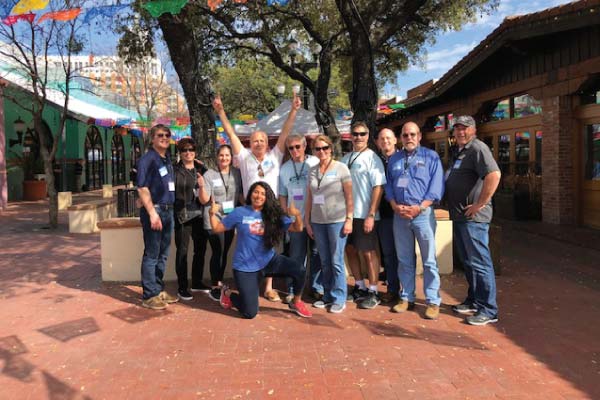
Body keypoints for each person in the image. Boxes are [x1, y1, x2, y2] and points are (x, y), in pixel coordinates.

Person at [213, 93, 301, 302]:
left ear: (267, 143)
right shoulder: (244, 157)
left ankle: (269, 287)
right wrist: (221, 111)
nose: (259, 143)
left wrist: (294, 110)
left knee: (271, 244)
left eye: (262, 140)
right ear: (250, 144)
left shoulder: (275, 156)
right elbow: (230, 133)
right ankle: (249, 281)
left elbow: (285, 132)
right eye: (255, 141)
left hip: (271, 210)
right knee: (249, 244)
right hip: (250, 209)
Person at [209, 181, 313, 319]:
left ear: (267, 197)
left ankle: (296, 302)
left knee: (299, 270)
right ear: (250, 194)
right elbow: (217, 228)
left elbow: (297, 228)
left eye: (263, 194)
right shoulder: (239, 212)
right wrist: (211, 214)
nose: (259, 196)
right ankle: (228, 294)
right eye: (256, 192)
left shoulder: (273, 214)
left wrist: (297, 215)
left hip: (268, 261)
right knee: (250, 313)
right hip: (245, 267)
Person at [385, 122, 444, 319]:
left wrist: (420, 207)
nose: (409, 138)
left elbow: (436, 186)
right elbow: (389, 185)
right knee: (404, 259)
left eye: (412, 134)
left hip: (422, 215)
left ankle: (433, 301)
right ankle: (407, 297)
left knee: (429, 260)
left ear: (419, 136)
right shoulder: (394, 159)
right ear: (401, 138)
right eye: (405, 135)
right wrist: (394, 205)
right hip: (400, 215)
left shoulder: (431, 157)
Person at [446, 115, 501, 326]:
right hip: (460, 216)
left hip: (474, 218)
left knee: (480, 262)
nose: (461, 132)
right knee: (468, 262)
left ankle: (488, 309)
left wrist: (480, 203)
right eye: (458, 128)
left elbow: (494, 175)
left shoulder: (478, 148)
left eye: (465, 128)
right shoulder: (460, 151)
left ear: (474, 130)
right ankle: (474, 300)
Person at [305, 135, 353, 313]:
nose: (322, 151)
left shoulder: (341, 168)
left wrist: (349, 219)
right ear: (313, 151)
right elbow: (309, 197)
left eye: (325, 148)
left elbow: (349, 196)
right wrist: (307, 221)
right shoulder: (312, 170)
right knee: (324, 261)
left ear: (331, 149)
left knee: (336, 261)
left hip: (337, 221)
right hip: (318, 221)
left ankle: (339, 298)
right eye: (317, 149)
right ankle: (327, 295)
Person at [341, 122, 386, 309]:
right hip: (347, 216)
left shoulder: (373, 158)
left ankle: (373, 290)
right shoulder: (345, 158)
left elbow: (378, 187)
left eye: (362, 134)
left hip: (365, 214)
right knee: (350, 250)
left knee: (369, 252)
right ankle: (359, 286)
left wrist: (371, 214)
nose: (358, 137)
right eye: (355, 134)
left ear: (368, 136)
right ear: (351, 136)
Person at [136, 124, 179, 310]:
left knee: (163, 254)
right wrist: (152, 214)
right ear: (152, 138)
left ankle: (158, 289)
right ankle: (149, 295)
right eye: (160, 135)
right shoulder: (147, 160)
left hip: (168, 210)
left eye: (167, 135)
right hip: (155, 211)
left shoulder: (166, 158)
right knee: (152, 254)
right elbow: (142, 187)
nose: (164, 138)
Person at [279, 134, 322, 303]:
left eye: (298, 146)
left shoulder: (315, 162)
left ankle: (317, 287)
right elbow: (282, 195)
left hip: (315, 219)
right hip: (295, 221)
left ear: (305, 146)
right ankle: (292, 289)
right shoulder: (284, 168)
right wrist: (286, 216)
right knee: (296, 256)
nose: (295, 150)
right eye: (291, 148)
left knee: (316, 254)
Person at [198, 144, 244, 301]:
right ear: (217, 157)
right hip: (214, 219)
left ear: (231, 157)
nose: (224, 158)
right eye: (221, 155)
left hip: (230, 220)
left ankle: (219, 281)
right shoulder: (210, 175)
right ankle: (215, 286)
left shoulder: (237, 173)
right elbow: (203, 199)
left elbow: (240, 195)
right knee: (217, 251)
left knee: (224, 252)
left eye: (227, 155)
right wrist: (201, 187)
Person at [173, 138, 210, 301]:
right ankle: (182, 287)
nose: (188, 153)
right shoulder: (175, 170)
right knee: (182, 252)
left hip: (200, 215)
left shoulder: (202, 168)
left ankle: (197, 282)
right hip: (183, 216)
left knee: (200, 250)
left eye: (191, 149)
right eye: (184, 150)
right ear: (180, 153)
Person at [375, 128, 400, 303]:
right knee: (389, 254)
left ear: (395, 140)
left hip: (403, 213)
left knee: (405, 255)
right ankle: (393, 289)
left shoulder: (404, 158)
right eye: (382, 139)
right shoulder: (375, 161)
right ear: (378, 142)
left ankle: (407, 292)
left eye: (388, 138)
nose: (385, 141)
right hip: (384, 214)